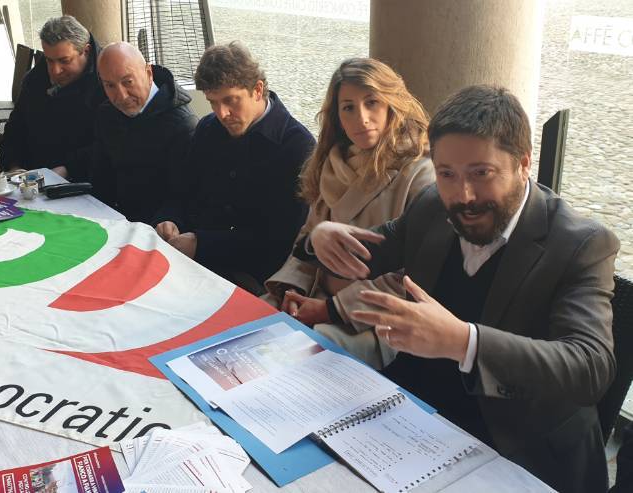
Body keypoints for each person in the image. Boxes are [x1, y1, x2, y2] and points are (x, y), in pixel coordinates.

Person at [301, 85, 619, 492]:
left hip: (517, 447)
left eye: (481, 173)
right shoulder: (433, 205)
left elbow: (590, 367)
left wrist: (464, 342)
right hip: (415, 420)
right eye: (447, 173)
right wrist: (319, 237)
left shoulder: (581, 244)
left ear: (523, 163)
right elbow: (369, 249)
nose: (463, 195)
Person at [262, 58, 434, 368]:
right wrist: (291, 288)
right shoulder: (330, 163)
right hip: (313, 295)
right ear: (337, 116)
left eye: (372, 103)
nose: (361, 118)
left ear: (392, 104)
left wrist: (331, 309)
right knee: (251, 326)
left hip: (373, 321)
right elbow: (308, 236)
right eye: (348, 108)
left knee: (294, 358)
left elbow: (410, 276)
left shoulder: (420, 174)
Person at [152, 42, 314, 294]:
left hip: (257, 280)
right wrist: (169, 219)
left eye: (230, 100)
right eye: (213, 102)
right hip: (194, 264)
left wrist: (201, 244)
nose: (222, 114)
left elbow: (280, 241)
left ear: (257, 90)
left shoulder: (299, 147)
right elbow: (181, 191)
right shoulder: (207, 128)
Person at [91, 42, 197, 223]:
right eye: (110, 86)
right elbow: (101, 178)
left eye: (128, 82)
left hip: (157, 229)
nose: (121, 96)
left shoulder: (183, 125)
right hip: (113, 221)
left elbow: (184, 195)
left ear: (149, 73)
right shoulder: (106, 113)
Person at [0, 16, 106, 181]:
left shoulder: (107, 81)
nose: (55, 71)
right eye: (49, 60)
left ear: (86, 51)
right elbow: (16, 127)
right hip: (33, 178)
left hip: (87, 180)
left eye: (64, 61)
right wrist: (14, 166)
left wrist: (68, 169)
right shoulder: (35, 79)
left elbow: (109, 143)